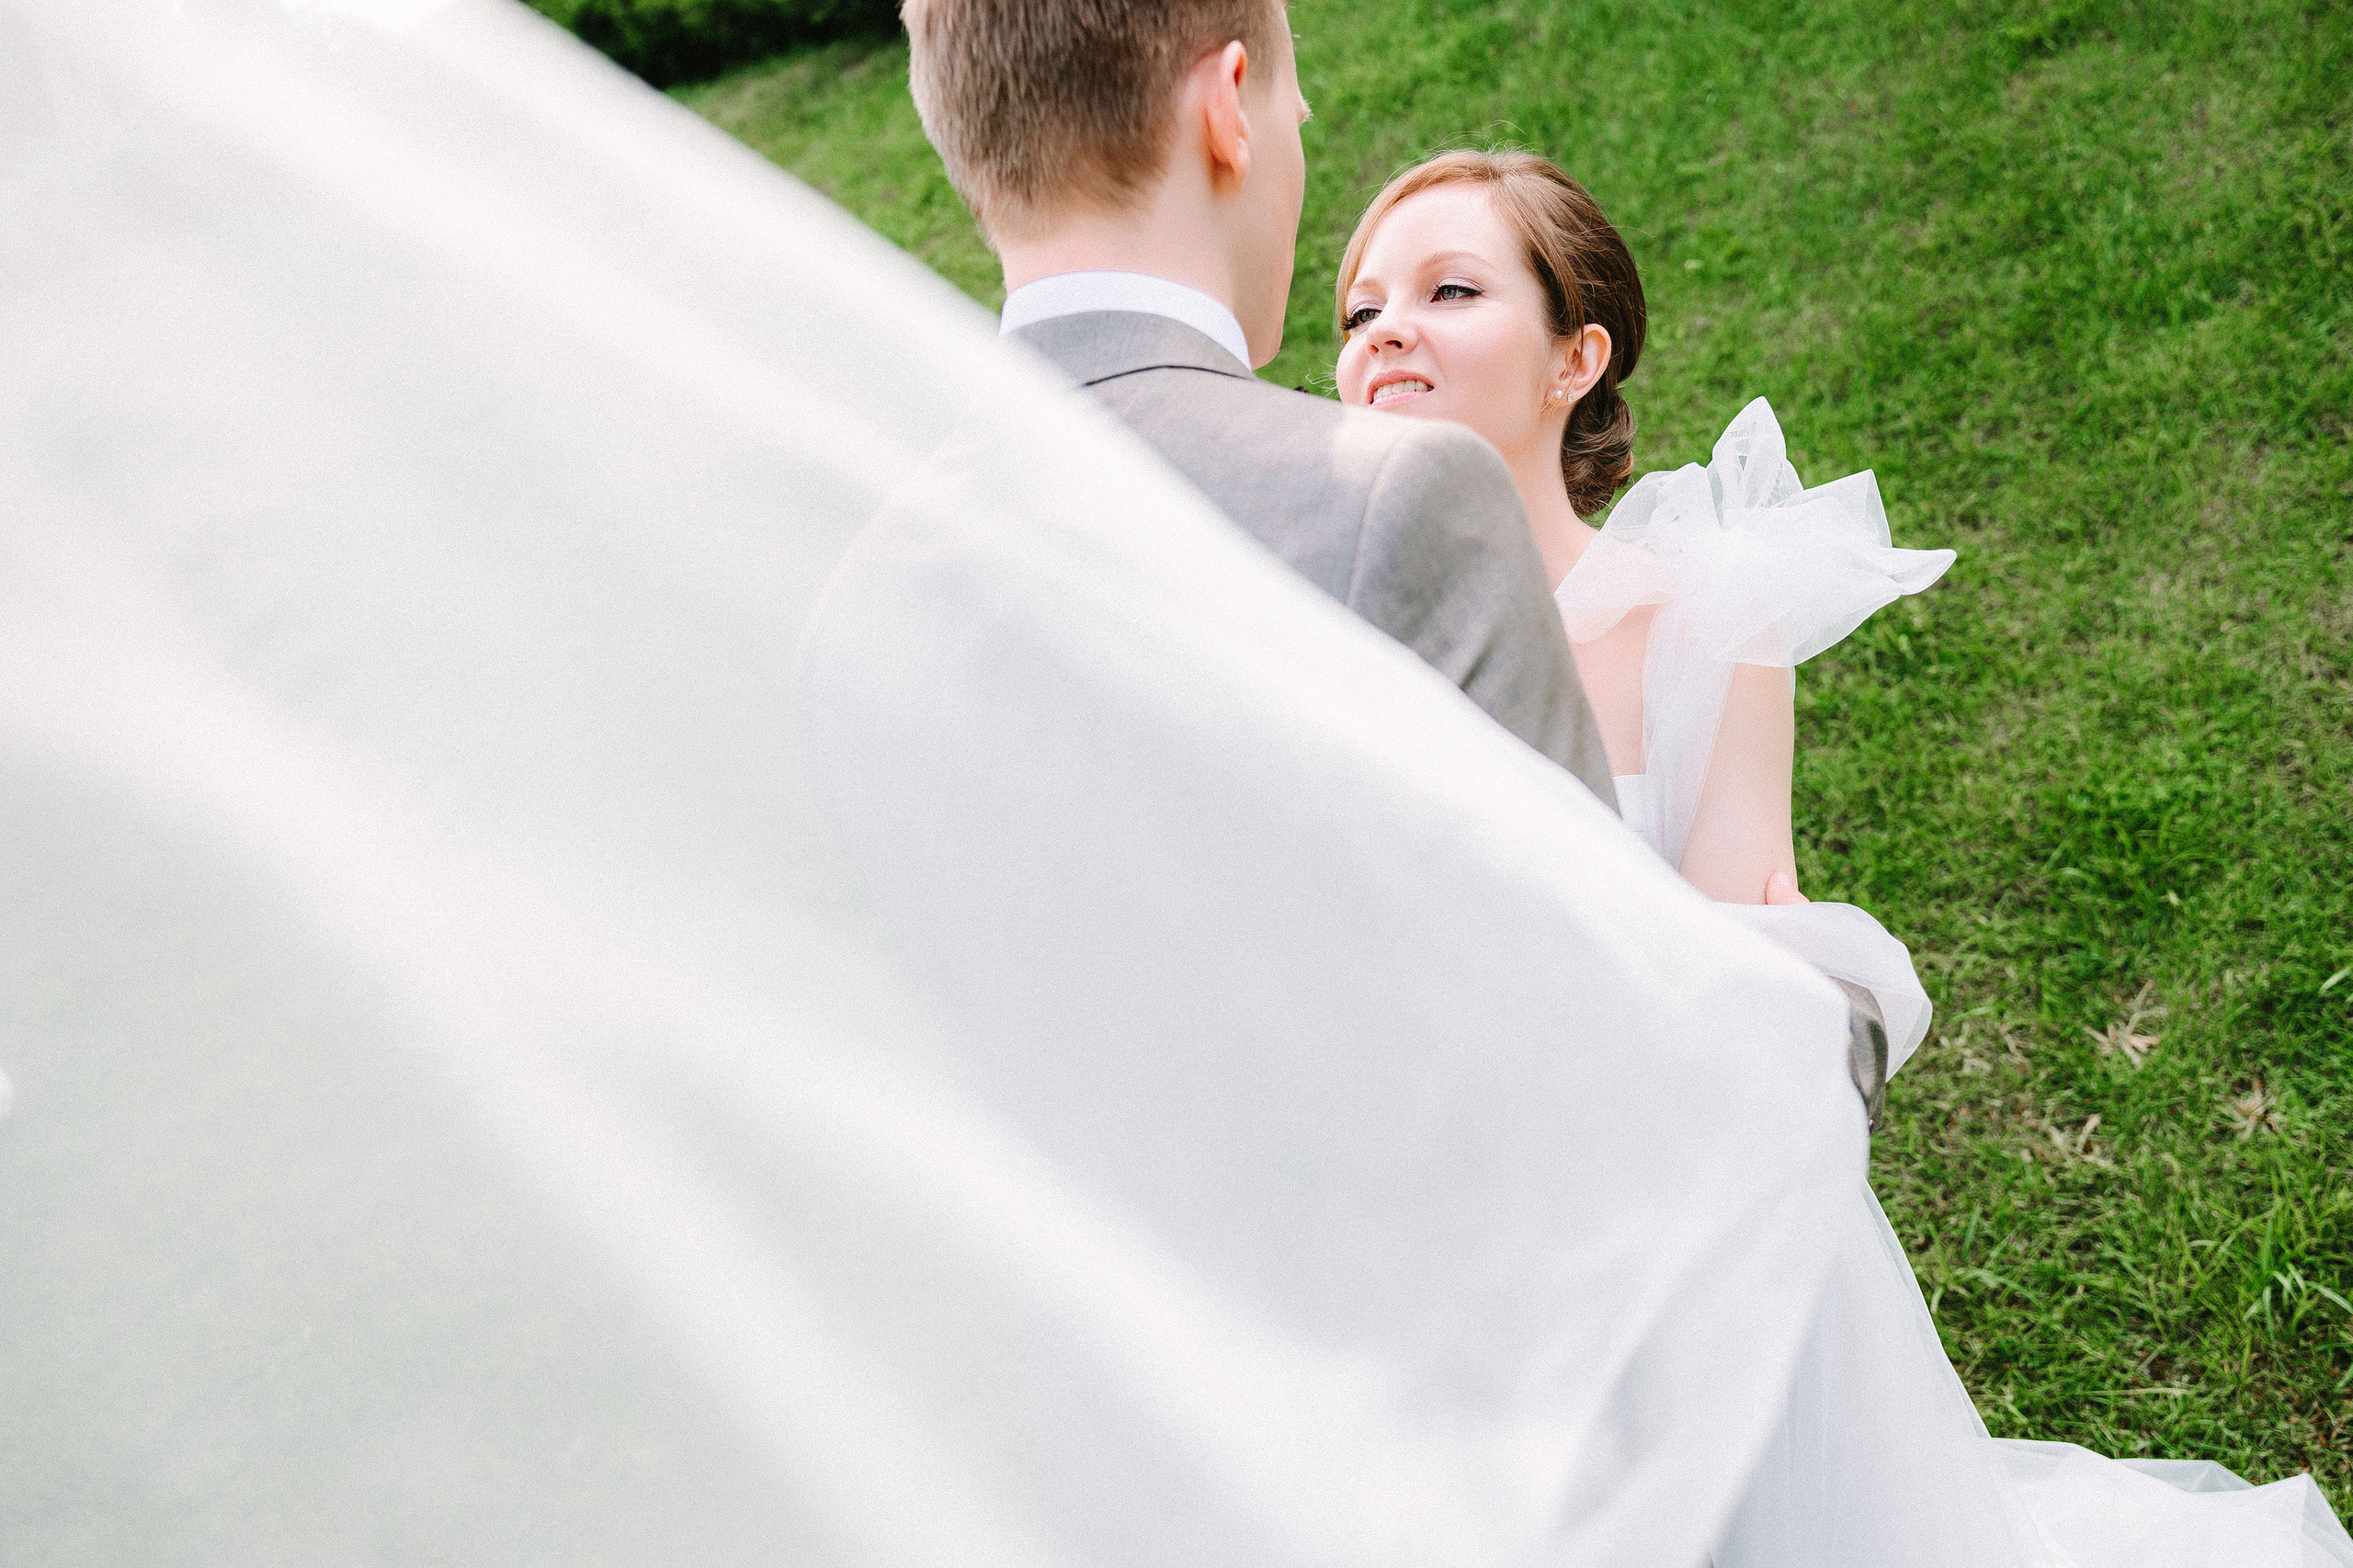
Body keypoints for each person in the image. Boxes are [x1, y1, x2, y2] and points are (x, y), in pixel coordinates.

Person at [1332, 148, 2353, 1568]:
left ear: (1577, 354)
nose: (1386, 327)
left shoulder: (1699, 611)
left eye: (1449, 289)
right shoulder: (1322, 635)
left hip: (1671, 1211)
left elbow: (1742, 937)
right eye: (1357, 308)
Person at [901, 0, 1615, 805]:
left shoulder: (874, 596)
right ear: (1228, 109)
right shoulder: (1397, 501)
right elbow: (1584, 926)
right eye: (1295, 117)